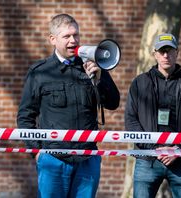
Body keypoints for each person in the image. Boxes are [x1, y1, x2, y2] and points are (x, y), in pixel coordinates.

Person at [17, 14, 120, 198]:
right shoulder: (40, 72)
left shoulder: (92, 66)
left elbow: (113, 103)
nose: (73, 40)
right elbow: (25, 116)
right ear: (53, 39)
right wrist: (37, 152)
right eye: (67, 36)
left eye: (76, 35)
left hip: (88, 158)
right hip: (52, 159)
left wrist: (100, 78)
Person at [125, 33, 181, 198]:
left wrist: (179, 150)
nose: (166, 55)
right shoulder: (140, 83)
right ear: (155, 54)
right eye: (161, 51)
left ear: (177, 52)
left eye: (170, 50)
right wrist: (153, 150)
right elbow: (131, 120)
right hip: (147, 160)